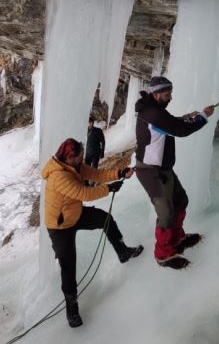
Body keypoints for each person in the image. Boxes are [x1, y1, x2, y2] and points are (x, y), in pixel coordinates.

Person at [42, 138, 143, 328]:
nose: (82, 159)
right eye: (79, 157)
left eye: (82, 156)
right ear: (69, 158)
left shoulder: (75, 166)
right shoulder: (58, 176)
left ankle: (122, 252)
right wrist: (109, 189)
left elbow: (97, 174)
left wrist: (119, 173)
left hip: (74, 214)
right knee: (68, 266)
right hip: (59, 226)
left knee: (105, 219)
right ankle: (72, 310)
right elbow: (84, 193)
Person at [134, 76, 214, 269]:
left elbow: (168, 124)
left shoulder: (154, 110)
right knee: (166, 213)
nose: (170, 97)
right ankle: (163, 254)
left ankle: (177, 238)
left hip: (162, 168)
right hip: (150, 171)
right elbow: (180, 130)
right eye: (168, 94)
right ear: (157, 93)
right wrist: (203, 117)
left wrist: (187, 117)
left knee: (180, 200)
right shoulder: (153, 113)